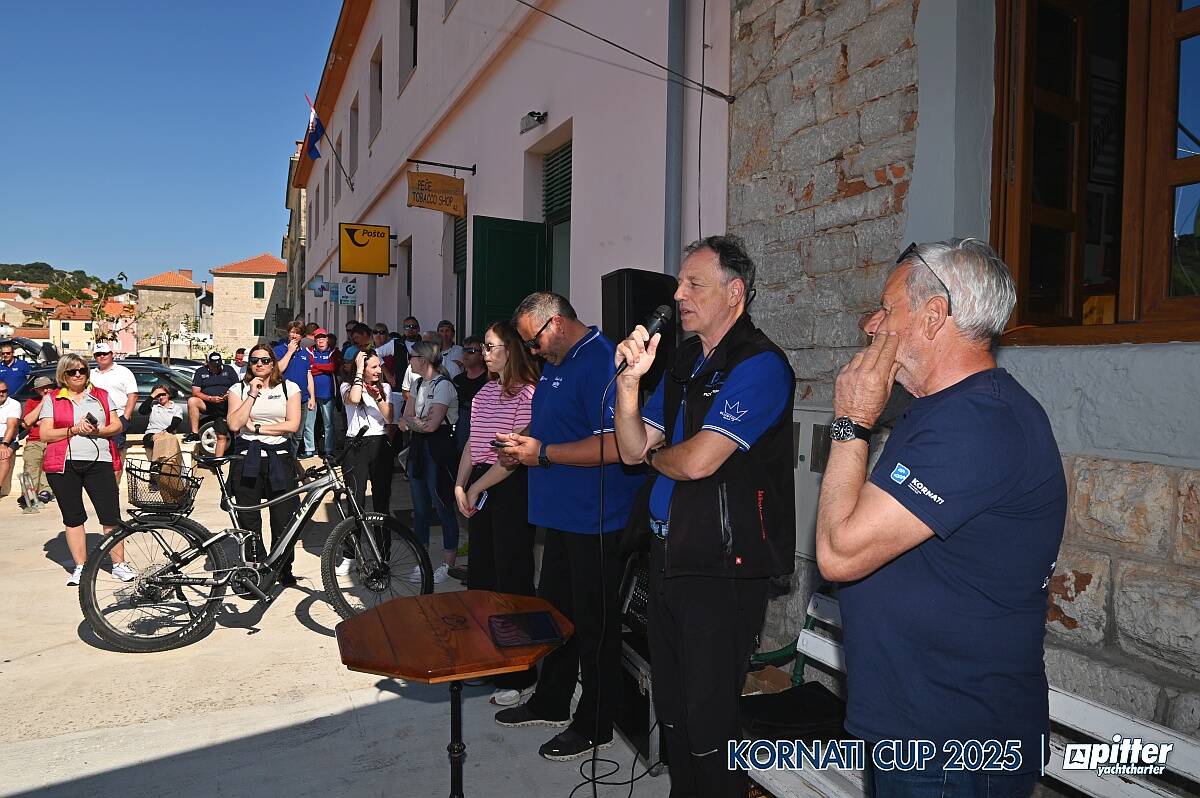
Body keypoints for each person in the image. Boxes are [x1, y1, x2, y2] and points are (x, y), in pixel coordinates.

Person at [816, 239, 1066, 797]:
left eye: (886, 308)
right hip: (916, 723)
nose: (871, 324)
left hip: (953, 742)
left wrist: (851, 422)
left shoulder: (981, 423)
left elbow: (840, 551)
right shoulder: (941, 411)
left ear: (934, 316)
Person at [613, 235, 796, 796]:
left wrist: (654, 455)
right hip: (669, 554)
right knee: (670, 711)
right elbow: (628, 447)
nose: (678, 294)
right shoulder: (688, 359)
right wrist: (628, 383)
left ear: (734, 292)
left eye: (694, 283)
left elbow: (696, 461)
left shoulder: (760, 364)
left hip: (722, 567)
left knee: (709, 724)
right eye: (680, 282)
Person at [492, 292, 644, 762]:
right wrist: (527, 446)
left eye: (533, 342)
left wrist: (541, 454)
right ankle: (552, 700)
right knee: (553, 619)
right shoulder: (559, 361)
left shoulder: (603, 361)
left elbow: (618, 447)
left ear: (555, 324)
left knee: (594, 626)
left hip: (594, 520)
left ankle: (595, 722)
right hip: (560, 517)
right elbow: (560, 430)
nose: (532, 352)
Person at [453, 321, 539, 705]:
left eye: (490, 346)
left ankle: (520, 671)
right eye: (482, 347)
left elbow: (513, 456)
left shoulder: (529, 393)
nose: (483, 353)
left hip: (509, 490)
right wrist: (460, 482)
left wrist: (476, 486)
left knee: (512, 580)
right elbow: (474, 440)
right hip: (484, 489)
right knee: (482, 577)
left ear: (511, 350)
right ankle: (490, 657)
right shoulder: (483, 391)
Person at [38, 353, 133, 586]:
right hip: (63, 464)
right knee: (73, 518)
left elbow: (117, 425)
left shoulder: (100, 395)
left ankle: (118, 564)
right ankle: (81, 567)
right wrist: (73, 430)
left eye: (81, 370)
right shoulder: (53, 398)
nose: (78, 374)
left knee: (110, 515)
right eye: (72, 371)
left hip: (99, 461)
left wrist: (96, 431)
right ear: (63, 375)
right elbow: (45, 434)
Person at [226, 344, 303, 586]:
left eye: (265, 360)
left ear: (273, 363)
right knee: (249, 518)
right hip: (247, 458)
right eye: (254, 360)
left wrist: (258, 428)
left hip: (279, 457)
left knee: (283, 518)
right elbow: (235, 424)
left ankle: (282, 566)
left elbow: (292, 425)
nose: (259, 364)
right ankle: (256, 566)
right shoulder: (238, 388)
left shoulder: (289, 388)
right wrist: (251, 394)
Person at [401, 340, 460, 583]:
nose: (409, 361)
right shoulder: (417, 383)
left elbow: (431, 425)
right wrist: (416, 422)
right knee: (420, 507)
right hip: (419, 448)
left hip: (439, 449)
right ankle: (422, 559)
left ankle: (448, 563)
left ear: (423, 360)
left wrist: (415, 422)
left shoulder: (443, 386)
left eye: (411, 357)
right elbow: (405, 418)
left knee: (443, 504)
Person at [334, 350, 393, 577]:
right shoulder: (346, 386)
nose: (379, 371)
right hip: (355, 445)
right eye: (374, 367)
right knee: (355, 502)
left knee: (381, 501)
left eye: (379, 367)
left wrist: (378, 397)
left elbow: (389, 417)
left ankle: (383, 553)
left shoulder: (385, 388)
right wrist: (359, 372)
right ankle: (351, 554)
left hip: (379, 443)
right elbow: (355, 399)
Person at [89, 341, 138, 475]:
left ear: (112, 354)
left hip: (118, 418)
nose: (102, 356)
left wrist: (125, 418)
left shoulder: (124, 372)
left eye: (105, 353)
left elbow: (133, 395)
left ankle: (114, 488)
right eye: (98, 354)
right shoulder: (90, 374)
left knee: (116, 455)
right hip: (96, 420)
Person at [274, 320, 317, 458]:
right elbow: (278, 369)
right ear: (288, 333)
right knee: (286, 432)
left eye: (297, 333)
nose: (294, 335)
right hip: (285, 398)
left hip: (303, 399)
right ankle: (284, 460)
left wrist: (312, 397)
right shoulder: (279, 350)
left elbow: (308, 375)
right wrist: (290, 352)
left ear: (302, 336)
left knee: (298, 434)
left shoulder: (305, 353)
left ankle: (291, 460)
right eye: (292, 332)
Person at [184, 352, 238, 456]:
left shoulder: (229, 370)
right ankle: (194, 433)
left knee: (222, 435)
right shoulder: (200, 372)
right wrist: (210, 398)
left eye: (218, 365)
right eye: (214, 366)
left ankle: (222, 459)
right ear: (208, 363)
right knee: (192, 400)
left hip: (226, 405)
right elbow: (196, 392)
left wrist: (228, 394)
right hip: (208, 403)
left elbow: (237, 386)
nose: (216, 368)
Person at [20, 375, 56, 505]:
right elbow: (28, 421)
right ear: (36, 390)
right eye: (42, 389)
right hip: (35, 440)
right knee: (31, 464)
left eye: (48, 387)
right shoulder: (32, 402)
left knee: (49, 466)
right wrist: (43, 403)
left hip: (52, 439)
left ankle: (46, 492)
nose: (46, 391)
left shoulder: (58, 400)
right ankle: (28, 494)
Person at [451, 335, 488, 453]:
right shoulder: (457, 380)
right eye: (464, 350)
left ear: (482, 356)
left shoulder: (490, 381)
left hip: (481, 435)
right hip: (458, 434)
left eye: (471, 351)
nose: (466, 354)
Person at [310, 329, 341, 456]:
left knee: (329, 424)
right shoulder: (310, 351)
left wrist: (316, 367)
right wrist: (324, 369)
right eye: (318, 338)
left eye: (323, 338)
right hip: (311, 394)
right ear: (315, 340)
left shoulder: (334, 352)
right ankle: (310, 449)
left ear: (327, 339)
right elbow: (309, 370)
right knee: (310, 424)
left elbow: (333, 367)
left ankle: (328, 450)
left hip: (328, 393)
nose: (320, 340)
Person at [138, 382, 184, 456]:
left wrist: (162, 434)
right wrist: (152, 396)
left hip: (167, 434)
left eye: (163, 394)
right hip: (151, 435)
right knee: (154, 440)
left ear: (168, 394)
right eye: (158, 396)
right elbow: (142, 411)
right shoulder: (154, 406)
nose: (161, 397)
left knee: (162, 441)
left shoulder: (176, 408)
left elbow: (175, 424)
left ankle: (155, 464)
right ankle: (157, 464)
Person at [0, 380, 21, 499]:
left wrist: (4, 444)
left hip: (7, 438)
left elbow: (11, 426)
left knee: (4, 456)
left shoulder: (14, 404)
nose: (2, 394)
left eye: (4, 391)